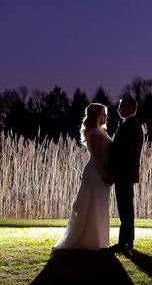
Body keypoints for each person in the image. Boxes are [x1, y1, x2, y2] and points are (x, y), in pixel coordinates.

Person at [53, 103, 113, 250]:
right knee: (91, 204)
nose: (106, 116)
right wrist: (105, 175)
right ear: (97, 115)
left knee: (100, 205)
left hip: (101, 172)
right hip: (95, 174)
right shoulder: (93, 134)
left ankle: (100, 240)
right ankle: (88, 241)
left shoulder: (102, 131)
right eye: (103, 114)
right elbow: (97, 158)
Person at [107, 96, 143, 253]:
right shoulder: (130, 124)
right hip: (126, 173)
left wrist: (114, 172)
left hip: (124, 174)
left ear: (130, 108)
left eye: (121, 105)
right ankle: (126, 242)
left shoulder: (131, 124)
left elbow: (124, 153)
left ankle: (126, 243)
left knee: (125, 209)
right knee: (126, 209)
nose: (118, 108)